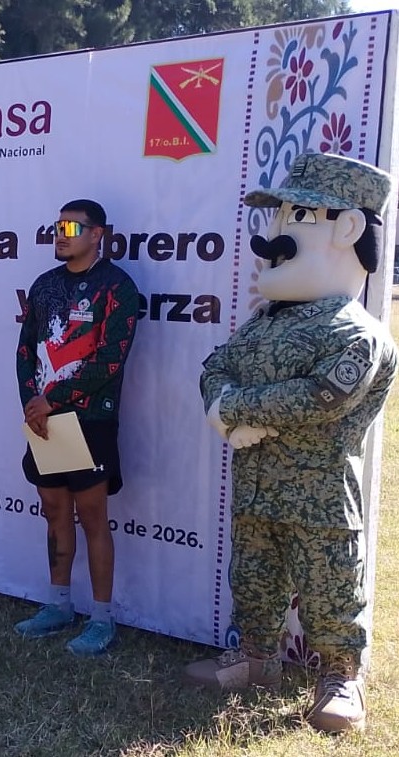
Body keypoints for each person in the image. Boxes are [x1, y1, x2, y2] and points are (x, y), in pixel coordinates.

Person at [190, 153, 397, 733]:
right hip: (257, 486)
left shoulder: (357, 332)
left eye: (298, 216)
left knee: (331, 585)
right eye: (280, 215)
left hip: (320, 497)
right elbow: (217, 365)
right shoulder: (266, 321)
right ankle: (256, 658)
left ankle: (341, 677)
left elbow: (321, 397)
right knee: (254, 577)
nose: (274, 238)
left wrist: (235, 408)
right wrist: (221, 408)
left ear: (347, 228)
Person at [13, 199, 140, 657]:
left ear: (97, 234)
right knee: (54, 511)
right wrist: (33, 403)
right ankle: (59, 604)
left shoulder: (117, 286)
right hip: (45, 418)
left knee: (91, 517)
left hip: (91, 419)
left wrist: (54, 399)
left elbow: (111, 359)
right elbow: (25, 350)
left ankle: (102, 618)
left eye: (71, 227)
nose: (60, 234)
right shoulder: (45, 285)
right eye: (57, 226)